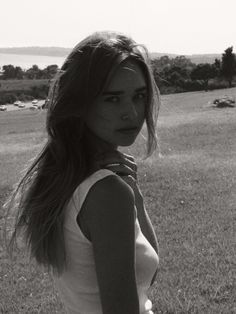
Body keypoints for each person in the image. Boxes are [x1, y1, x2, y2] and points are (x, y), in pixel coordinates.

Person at [8, 31, 160, 314]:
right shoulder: (105, 193)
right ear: (81, 103)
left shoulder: (64, 176)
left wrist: (135, 197)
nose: (131, 112)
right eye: (112, 99)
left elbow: (148, 275)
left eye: (139, 96)